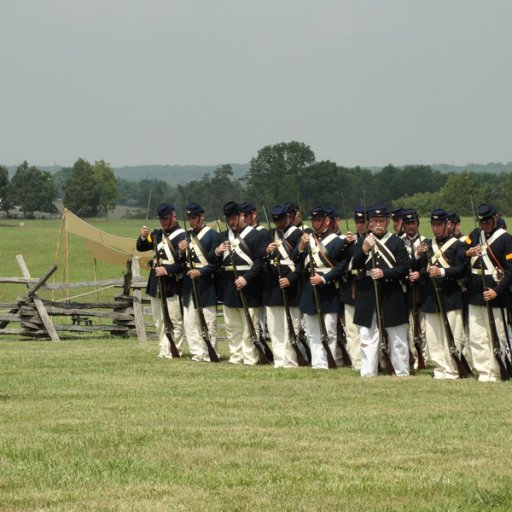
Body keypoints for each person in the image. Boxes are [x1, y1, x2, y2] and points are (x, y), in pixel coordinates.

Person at [351, 205, 410, 377]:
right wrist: (364, 250)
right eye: (375, 221)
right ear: (370, 223)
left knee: (397, 336)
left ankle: (401, 372)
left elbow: (404, 268)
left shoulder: (396, 242)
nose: (378, 224)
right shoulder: (363, 241)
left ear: (387, 222)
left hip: (391, 292)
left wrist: (385, 273)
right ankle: (368, 372)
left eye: (381, 221)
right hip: (367, 292)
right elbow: (354, 266)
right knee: (367, 336)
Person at [412, 209, 468, 379]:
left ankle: (452, 369)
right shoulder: (427, 244)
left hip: (450, 297)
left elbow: (462, 269)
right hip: (431, 298)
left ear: (447, 225)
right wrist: (418, 254)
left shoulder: (458, 245)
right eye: (434, 225)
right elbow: (419, 269)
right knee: (433, 337)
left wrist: (442, 272)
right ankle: (439, 369)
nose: (436, 228)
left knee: (452, 336)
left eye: (439, 225)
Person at [293, 206, 348, 369]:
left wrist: (323, 279)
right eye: (314, 220)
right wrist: (301, 247)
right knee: (312, 330)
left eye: (319, 220)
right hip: (310, 288)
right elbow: (295, 259)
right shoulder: (306, 239)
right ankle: (318, 362)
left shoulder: (336, 241)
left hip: (328, 288)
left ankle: (329, 359)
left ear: (327, 221)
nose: (316, 224)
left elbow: (340, 266)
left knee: (329, 329)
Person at [214, 201, 267, 365]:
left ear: (242, 216)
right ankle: (236, 356)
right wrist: (217, 251)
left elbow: (260, 262)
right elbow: (214, 262)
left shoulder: (256, 235)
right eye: (228, 218)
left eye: (233, 217)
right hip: (229, 284)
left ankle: (250, 357)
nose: (231, 221)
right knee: (232, 325)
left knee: (250, 325)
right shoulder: (223, 236)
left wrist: (246, 278)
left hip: (249, 284)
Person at [465, 204, 512, 381]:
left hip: (496, 292)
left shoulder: (506, 239)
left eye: (486, 222)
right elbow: (462, 250)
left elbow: (510, 271)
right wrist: (468, 252)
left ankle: (499, 370)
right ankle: (484, 371)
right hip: (475, 292)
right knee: (477, 336)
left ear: (495, 219)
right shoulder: (475, 235)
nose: (483, 225)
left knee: (498, 335)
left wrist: (497, 291)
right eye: (481, 222)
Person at [136, 203, 186, 359]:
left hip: (172, 283)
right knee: (159, 321)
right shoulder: (157, 234)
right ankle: (164, 350)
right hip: (156, 284)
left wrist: (168, 270)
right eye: (161, 219)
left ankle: (174, 350)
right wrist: (143, 236)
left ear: (173, 216)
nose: (163, 222)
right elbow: (141, 247)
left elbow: (183, 263)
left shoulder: (182, 236)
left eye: (166, 218)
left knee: (174, 320)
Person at [177, 202, 222, 362]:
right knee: (190, 322)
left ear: (202, 216)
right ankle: (197, 353)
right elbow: (179, 260)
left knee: (208, 321)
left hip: (206, 284)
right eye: (189, 217)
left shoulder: (213, 235)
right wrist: (181, 251)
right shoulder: (186, 235)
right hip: (189, 284)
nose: (191, 220)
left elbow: (216, 264)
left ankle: (211, 352)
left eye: (194, 217)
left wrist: (201, 271)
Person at [263, 204, 303, 367]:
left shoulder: (298, 234)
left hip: (291, 286)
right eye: (277, 221)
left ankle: (291, 359)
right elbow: (261, 258)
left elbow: (301, 263)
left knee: (291, 326)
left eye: (282, 220)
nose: (280, 223)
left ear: (288, 218)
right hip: (273, 287)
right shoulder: (270, 235)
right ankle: (279, 359)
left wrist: (291, 279)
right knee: (275, 327)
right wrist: (266, 251)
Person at [338, 207, 368, 370]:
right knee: (351, 328)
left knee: (368, 328)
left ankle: (372, 360)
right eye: (358, 222)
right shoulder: (351, 242)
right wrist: (345, 243)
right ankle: (357, 362)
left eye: (363, 222)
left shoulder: (372, 240)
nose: (360, 225)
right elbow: (337, 258)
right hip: (350, 288)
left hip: (366, 287)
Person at [401, 208, 427, 369]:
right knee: (408, 326)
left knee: (422, 327)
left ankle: (422, 357)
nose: (410, 226)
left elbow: (428, 267)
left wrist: (420, 274)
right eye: (407, 223)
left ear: (417, 223)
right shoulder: (398, 242)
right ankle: (411, 356)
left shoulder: (426, 242)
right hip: (404, 289)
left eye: (413, 223)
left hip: (421, 290)